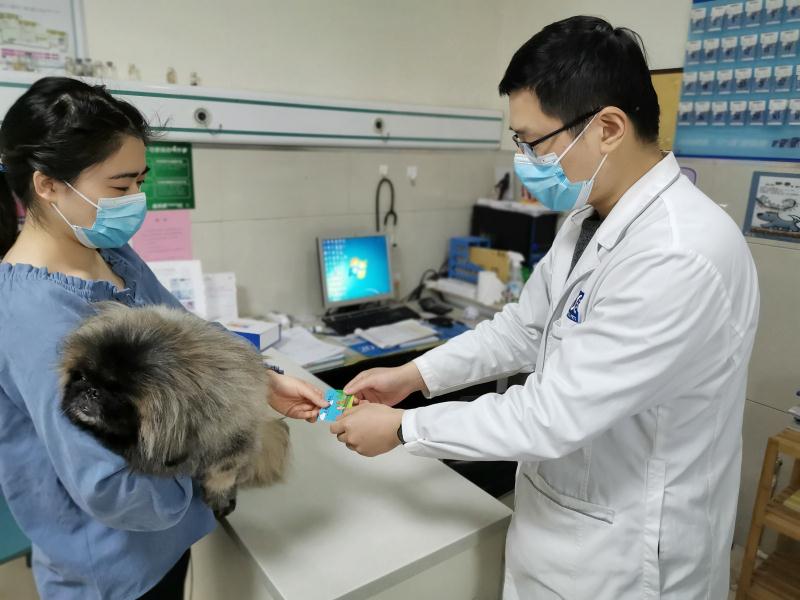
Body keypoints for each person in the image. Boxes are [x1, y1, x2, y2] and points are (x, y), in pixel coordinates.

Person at [330, 16, 760, 599]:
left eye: (534, 142)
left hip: (629, 556)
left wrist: (406, 428)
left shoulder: (679, 254)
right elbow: (523, 330)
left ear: (608, 128)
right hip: (561, 521)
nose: (525, 161)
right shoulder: (589, 218)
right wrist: (414, 375)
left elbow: (551, 415)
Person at [0, 77, 326, 599]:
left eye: (139, 181)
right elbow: (111, 487)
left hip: (164, 541)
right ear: (48, 185)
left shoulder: (107, 254)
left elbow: (191, 335)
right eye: (120, 187)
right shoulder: (35, 316)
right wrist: (214, 461)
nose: (137, 199)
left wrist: (259, 380)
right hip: (115, 566)